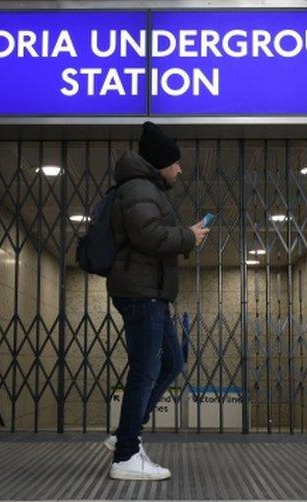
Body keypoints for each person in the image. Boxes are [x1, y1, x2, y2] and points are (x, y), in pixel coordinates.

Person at [104, 121, 209, 481]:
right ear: (161, 161)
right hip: (140, 291)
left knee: (172, 361)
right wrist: (187, 236)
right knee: (146, 370)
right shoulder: (137, 188)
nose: (180, 169)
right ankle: (125, 456)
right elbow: (146, 234)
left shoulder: (145, 188)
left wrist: (185, 237)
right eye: (176, 162)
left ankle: (125, 434)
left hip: (152, 292)